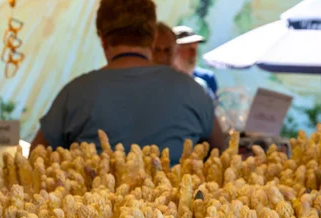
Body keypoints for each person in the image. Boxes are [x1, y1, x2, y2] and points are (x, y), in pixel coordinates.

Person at [32, 0, 225, 163]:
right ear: (152, 40)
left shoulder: (74, 93)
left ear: (103, 40)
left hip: (95, 205)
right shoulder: (192, 90)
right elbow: (224, 158)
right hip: (177, 207)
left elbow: (34, 161)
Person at [172, 25, 218, 98]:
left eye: (195, 49)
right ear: (174, 51)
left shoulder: (202, 84)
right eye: (189, 49)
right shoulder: (160, 82)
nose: (194, 54)